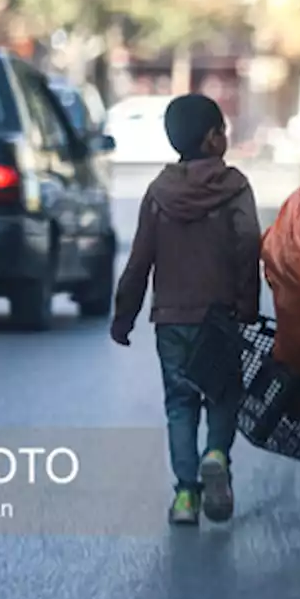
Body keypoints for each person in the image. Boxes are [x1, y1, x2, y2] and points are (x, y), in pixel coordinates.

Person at [110, 93, 262, 526]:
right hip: (220, 317)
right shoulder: (235, 187)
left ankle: (185, 497)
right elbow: (249, 243)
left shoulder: (159, 193)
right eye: (223, 132)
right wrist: (247, 304)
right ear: (212, 138)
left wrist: (124, 316)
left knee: (180, 403)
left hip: (171, 319)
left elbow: (140, 259)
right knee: (222, 395)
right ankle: (216, 454)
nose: (227, 139)